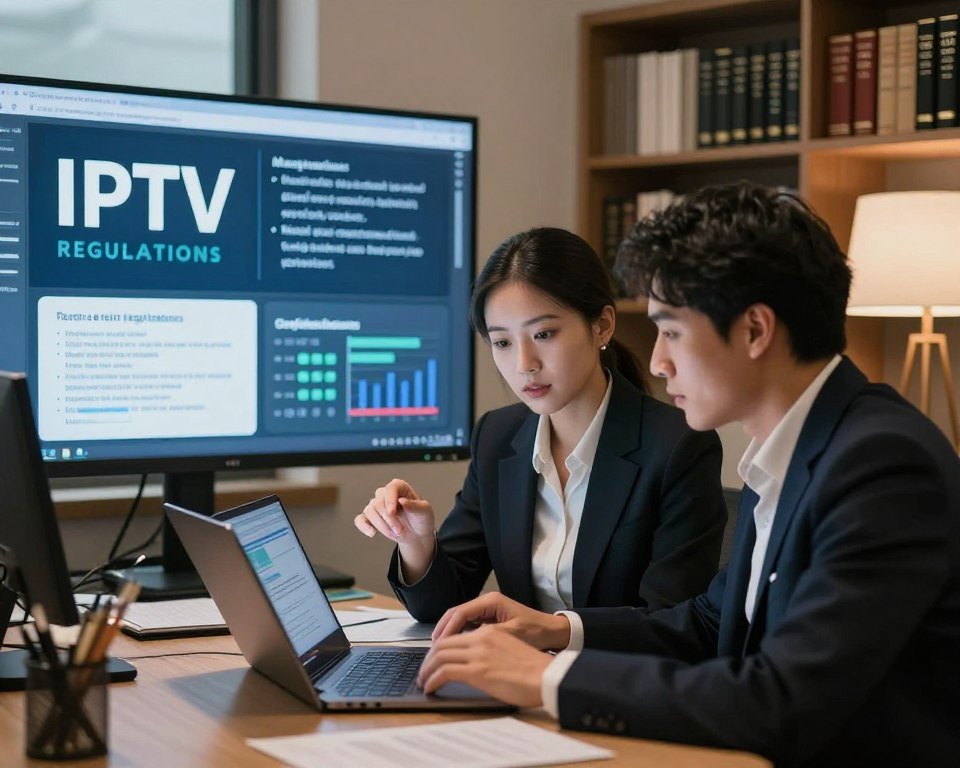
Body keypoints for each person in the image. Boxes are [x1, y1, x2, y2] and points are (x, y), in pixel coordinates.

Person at [415, 183, 960, 767]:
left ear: (755, 330)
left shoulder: (880, 465)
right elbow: (707, 622)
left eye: (671, 331)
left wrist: (548, 681)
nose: (655, 362)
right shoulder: (791, 450)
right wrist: (555, 631)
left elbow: (782, 702)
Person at [355, 227, 727, 621]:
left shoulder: (677, 446)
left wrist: (550, 632)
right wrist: (417, 542)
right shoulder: (497, 437)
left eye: (543, 334)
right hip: (514, 676)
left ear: (602, 325)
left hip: (614, 680)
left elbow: (671, 624)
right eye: (502, 342)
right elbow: (441, 607)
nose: (524, 364)